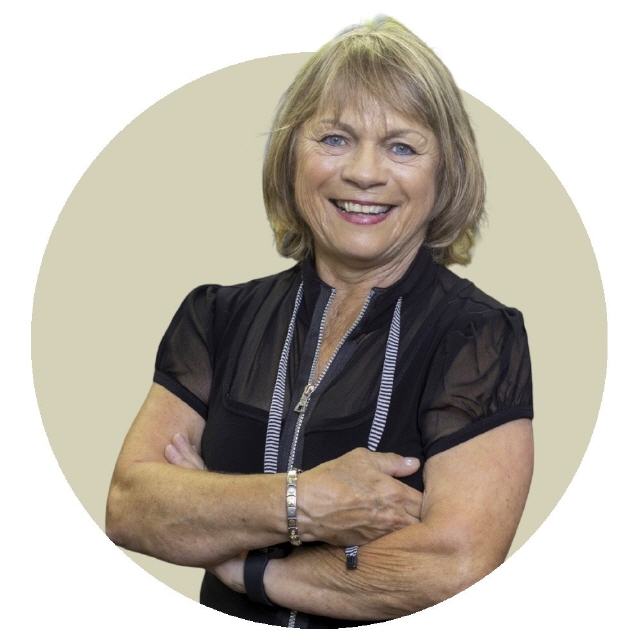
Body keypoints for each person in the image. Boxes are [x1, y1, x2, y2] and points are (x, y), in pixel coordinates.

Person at [106, 16, 534, 628]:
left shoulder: (477, 336)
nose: (364, 172)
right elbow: (131, 506)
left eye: (402, 146)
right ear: (291, 156)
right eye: (334, 139)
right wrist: (305, 501)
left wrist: (245, 566)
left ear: (446, 173)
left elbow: (454, 564)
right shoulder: (215, 317)